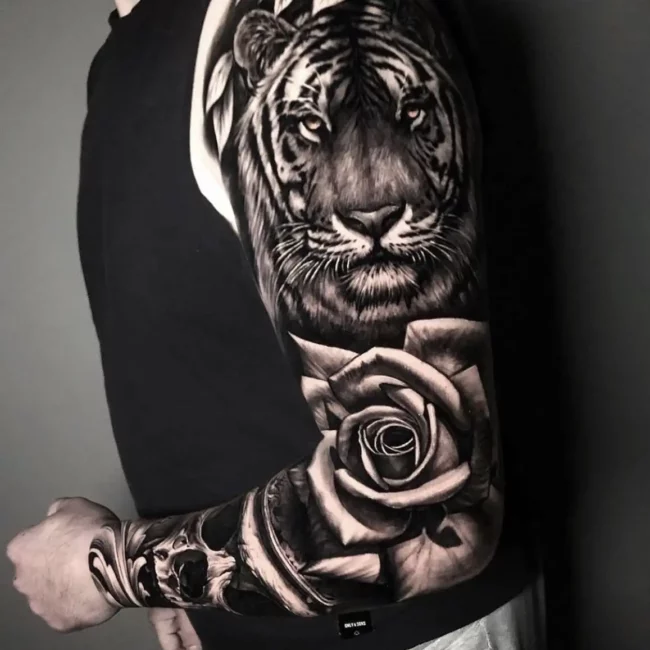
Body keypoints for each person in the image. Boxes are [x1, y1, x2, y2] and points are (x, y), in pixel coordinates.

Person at [7, 1, 545, 648]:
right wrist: (190, 590)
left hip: (402, 632)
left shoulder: (314, 13)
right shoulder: (124, 55)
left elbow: (435, 521)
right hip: (247, 617)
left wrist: (110, 569)